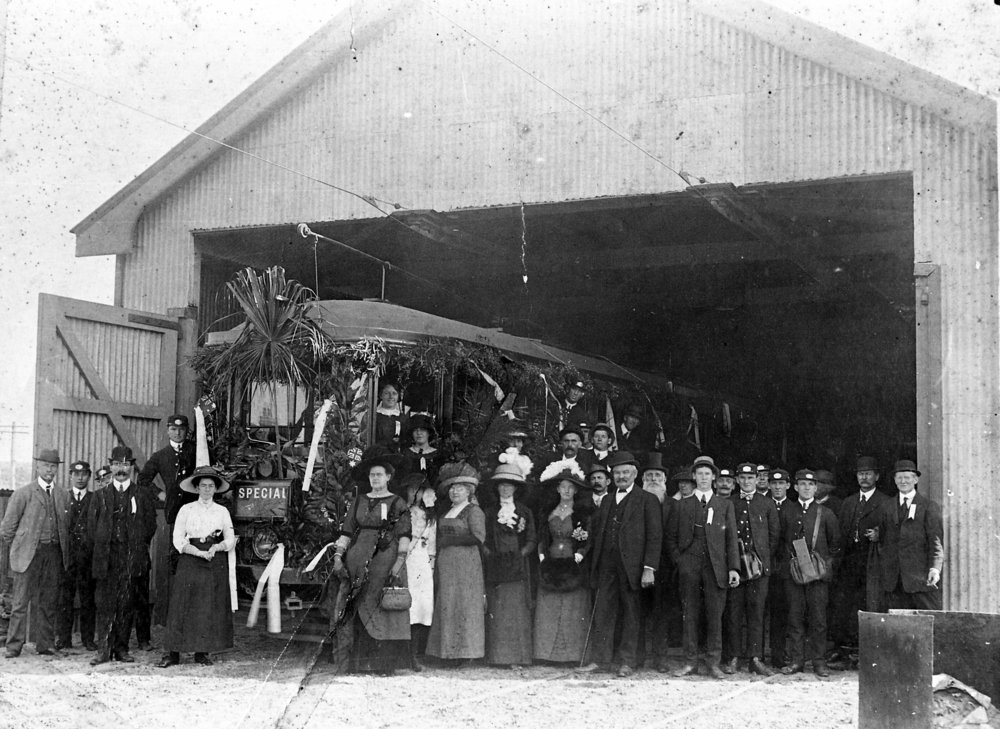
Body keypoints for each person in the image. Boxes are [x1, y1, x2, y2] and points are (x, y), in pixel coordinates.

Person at [579, 451, 661, 678]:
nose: (621, 477)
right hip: (606, 565)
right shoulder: (607, 500)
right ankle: (601, 660)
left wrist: (648, 568)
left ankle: (628, 661)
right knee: (603, 612)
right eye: (617, 473)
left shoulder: (648, 500)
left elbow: (655, 536)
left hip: (633, 567)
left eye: (625, 472)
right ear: (611, 476)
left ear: (634, 474)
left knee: (631, 614)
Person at [329, 448, 411, 675]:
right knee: (355, 608)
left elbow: (404, 535)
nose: (375, 478)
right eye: (372, 475)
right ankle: (356, 664)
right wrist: (338, 556)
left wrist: (398, 563)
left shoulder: (398, 502)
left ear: (388, 477)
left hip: (385, 560)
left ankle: (382, 664)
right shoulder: (359, 501)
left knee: (379, 607)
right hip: (357, 560)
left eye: (380, 475)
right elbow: (346, 532)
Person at [668, 455, 740, 679]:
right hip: (689, 567)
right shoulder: (682, 504)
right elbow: (670, 538)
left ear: (715, 478)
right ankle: (690, 662)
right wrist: (680, 560)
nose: (703, 478)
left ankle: (713, 663)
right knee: (690, 614)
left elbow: (731, 539)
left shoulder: (724, 505)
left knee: (714, 616)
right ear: (693, 477)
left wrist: (733, 568)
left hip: (716, 568)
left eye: (707, 474)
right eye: (699, 474)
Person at [158, 466, 236, 667]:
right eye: (203, 485)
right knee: (182, 604)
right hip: (191, 559)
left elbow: (230, 539)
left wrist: (216, 547)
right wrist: (197, 551)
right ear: (197, 487)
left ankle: (202, 652)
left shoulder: (222, 511)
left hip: (214, 560)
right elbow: (177, 539)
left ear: (216, 488)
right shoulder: (186, 509)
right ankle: (173, 653)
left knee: (207, 606)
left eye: (211, 486)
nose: (207, 489)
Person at [90, 446, 157, 665]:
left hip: (131, 559)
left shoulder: (142, 494)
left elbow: (150, 526)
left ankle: (121, 649)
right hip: (107, 560)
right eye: (117, 464)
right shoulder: (100, 496)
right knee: (105, 605)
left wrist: (135, 547)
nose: (121, 469)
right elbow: (92, 529)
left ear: (131, 468)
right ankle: (104, 650)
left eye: (126, 464)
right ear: (111, 466)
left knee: (126, 605)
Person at [0, 448, 71, 658]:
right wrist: (21, 547)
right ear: (37, 466)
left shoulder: (62, 495)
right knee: (20, 602)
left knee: (48, 601)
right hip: (28, 555)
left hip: (53, 555)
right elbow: (7, 528)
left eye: (53, 466)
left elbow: (66, 527)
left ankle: (45, 645)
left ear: (57, 469)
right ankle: (14, 646)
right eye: (46, 465)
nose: (49, 470)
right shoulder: (23, 493)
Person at [829, 456, 890, 669]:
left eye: (868, 473)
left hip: (871, 562)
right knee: (845, 607)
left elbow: (893, 531)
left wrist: (880, 534)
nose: (864, 477)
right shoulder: (849, 502)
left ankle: (867, 654)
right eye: (860, 474)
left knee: (869, 605)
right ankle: (845, 652)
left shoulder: (885, 502)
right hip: (849, 563)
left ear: (877, 476)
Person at [780, 469, 841, 677]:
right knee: (795, 618)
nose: (806, 488)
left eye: (811, 484)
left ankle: (819, 662)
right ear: (795, 487)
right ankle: (796, 661)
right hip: (794, 575)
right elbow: (779, 542)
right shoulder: (786, 511)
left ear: (816, 488)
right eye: (802, 484)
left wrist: (823, 569)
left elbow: (836, 546)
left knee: (818, 619)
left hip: (817, 576)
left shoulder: (826, 514)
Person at [721, 462, 779, 676]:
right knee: (734, 613)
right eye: (743, 478)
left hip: (758, 569)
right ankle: (734, 657)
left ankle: (756, 658)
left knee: (756, 613)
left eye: (751, 478)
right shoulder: (730, 503)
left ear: (757, 480)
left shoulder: (766, 503)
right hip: (736, 567)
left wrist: (761, 560)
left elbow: (774, 536)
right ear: (737, 480)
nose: (746, 482)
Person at [137, 414, 196, 627]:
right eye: (174, 429)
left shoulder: (196, 451)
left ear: (187, 430)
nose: (178, 432)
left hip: (196, 514)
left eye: (182, 429)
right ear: (168, 430)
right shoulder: (161, 456)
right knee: (176, 561)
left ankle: (192, 618)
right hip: (175, 515)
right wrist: (161, 495)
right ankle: (172, 616)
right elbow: (142, 480)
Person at [534, 463, 594, 665]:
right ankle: (546, 654)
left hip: (572, 564)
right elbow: (542, 535)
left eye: (570, 487)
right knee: (549, 607)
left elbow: (587, 539)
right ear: (557, 489)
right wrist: (542, 553)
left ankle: (572, 655)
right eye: (562, 487)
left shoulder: (582, 513)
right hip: (551, 562)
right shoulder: (548, 511)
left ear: (576, 490)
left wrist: (580, 553)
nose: (566, 490)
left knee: (571, 608)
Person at [426, 462, 486, 664]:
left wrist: (450, 541)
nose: (454, 491)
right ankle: (446, 652)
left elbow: (478, 537)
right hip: (447, 562)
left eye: (459, 488)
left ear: (469, 491)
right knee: (447, 602)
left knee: (465, 603)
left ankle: (466, 653)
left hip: (466, 563)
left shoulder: (473, 511)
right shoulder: (445, 513)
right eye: (452, 488)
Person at [483, 463, 536, 667]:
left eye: (509, 486)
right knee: (498, 609)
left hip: (518, 566)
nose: (505, 489)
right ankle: (498, 657)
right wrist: (491, 556)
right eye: (501, 486)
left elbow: (532, 538)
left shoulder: (524, 511)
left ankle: (519, 657)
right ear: (496, 488)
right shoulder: (489, 512)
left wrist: (520, 555)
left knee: (517, 611)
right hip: (495, 565)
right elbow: (483, 538)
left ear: (516, 488)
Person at [871, 460, 943, 611]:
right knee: (898, 624)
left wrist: (935, 569)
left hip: (919, 578)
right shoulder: (886, 506)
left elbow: (935, 541)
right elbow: (883, 539)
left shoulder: (928, 506)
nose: (903, 481)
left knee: (926, 621)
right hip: (893, 579)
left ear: (915, 480)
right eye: (899, 477)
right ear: (895, 480)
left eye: (907, 477)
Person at [638, 452, 675, 672]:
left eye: (657, 475)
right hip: (637, 565)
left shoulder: (672, 505)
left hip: (665, 567)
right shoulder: (635, 503)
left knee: (661, 614)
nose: (653, 479)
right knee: (638, 612)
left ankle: (661, 658)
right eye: (649, 475)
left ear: (664, 480)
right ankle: (638, 656)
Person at [57, 460, 97, 651]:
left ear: (89, 477)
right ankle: (63, 639)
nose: (80, 478)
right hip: (67, 558)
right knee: (65, 598)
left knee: (88, 599)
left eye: (84, 474)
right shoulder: (62, 498)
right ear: (70, 476)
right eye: (76, 474)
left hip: (87, 558)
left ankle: (88, 639)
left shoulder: (95, 498)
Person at [405, 475, 436, 671]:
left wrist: (431, 566)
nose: (416, 493)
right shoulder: (402, 512)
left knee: (421, 608)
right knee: (406, 605)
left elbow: (432, 545)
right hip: (405, 560)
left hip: (422, 562)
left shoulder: (430, 517)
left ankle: (415, 654)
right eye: (412, 489)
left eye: (420, 489)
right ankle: (402, 653)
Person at [765, 468, 794, 668]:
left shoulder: (793, 508)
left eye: (781, 483)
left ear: (788, 486)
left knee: (781, 613)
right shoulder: (762, 504)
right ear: (768, 485)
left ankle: (778, 655)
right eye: (774, 483)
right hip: (763, 566)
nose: (777, 487)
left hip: (784, 569)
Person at [402, 414, 445, 486]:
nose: (419, 433)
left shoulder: (438, 455)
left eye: (422, 430)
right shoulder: (405, 454)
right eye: (415, 430)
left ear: (429, 433)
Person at [371, 382, 410, 451]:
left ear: (398, 396)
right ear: (380, 395)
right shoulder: (373, 417)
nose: (391, 396)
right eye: (386, 393)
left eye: (394, 393)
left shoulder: (403, 418)